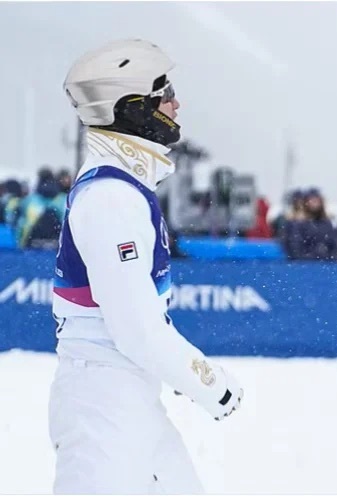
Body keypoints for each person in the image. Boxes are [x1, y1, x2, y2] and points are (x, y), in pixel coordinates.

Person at [50, 38, 243, 494]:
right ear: (131, 108)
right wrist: (207, 381)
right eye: (164, 94)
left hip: (129, 396)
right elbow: (135, 328)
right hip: (102, 405)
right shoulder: (111, 198)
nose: (176, 104)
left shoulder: (123, 189)